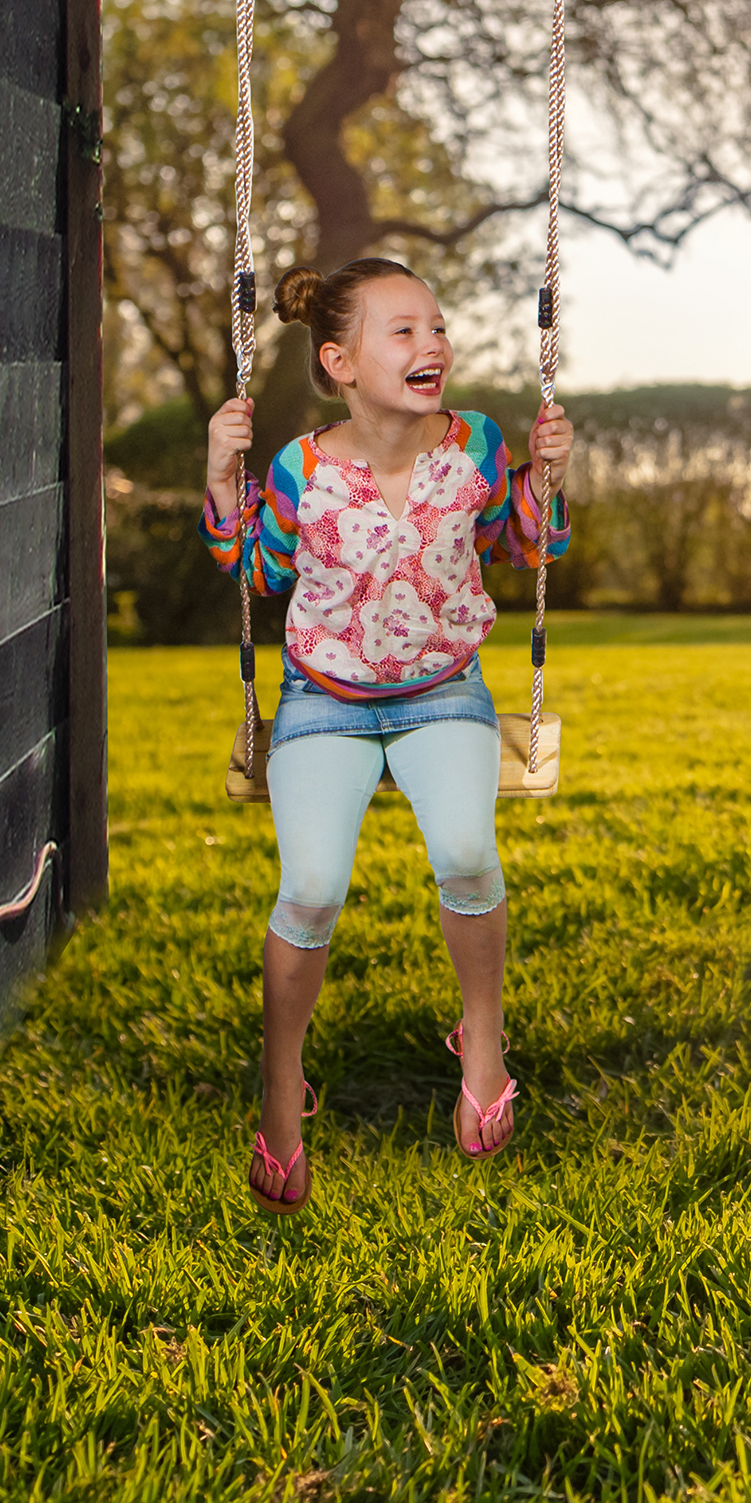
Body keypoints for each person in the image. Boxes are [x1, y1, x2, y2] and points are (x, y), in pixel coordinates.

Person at [203, 259, 571, 1211]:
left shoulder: (478, 446)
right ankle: (283, 1084)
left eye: (437, 328)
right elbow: (252, 568)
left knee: (466, 854)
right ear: (340, 362)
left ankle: (480, 1040)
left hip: (445, 689)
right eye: (402, 332)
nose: (432, 345)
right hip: (324, 699)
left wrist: (549, 482)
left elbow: (523, 546)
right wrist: (218, 471)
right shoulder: (299, 469)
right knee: (313, 888)